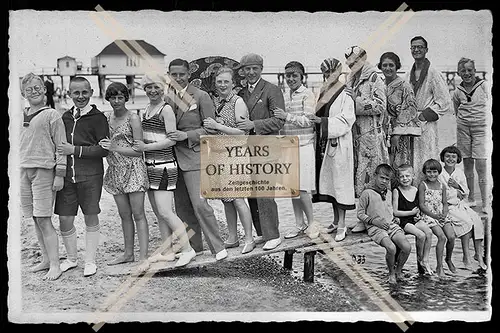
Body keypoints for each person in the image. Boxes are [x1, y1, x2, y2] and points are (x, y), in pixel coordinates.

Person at [164, 58, 228, 261]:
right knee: (182, 207)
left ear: (188, 74)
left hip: (194, 157)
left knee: (200, 205)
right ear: (169, 76)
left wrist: (187, 136)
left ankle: (218, 247)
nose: (178, 78)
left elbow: (211, 129)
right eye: (174, 74)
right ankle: (195, 248)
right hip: (173, 158)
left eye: (182, 74)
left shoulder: (201, 96)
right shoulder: (167, 98)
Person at [132, 72, 197, 267]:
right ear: (144, 89)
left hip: (164, 165)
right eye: (149, 87)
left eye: (157, 87)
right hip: (149, 166)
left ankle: (187, 249)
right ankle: (167, 251)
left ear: (164, 89)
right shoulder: (145, 109)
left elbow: (171, 139)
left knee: (166, 211)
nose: (153, 91)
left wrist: (146, 148)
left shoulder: (166, 109)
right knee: (159, 213)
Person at [54, 77, 109, 277]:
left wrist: (74, 150)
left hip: (91, 176)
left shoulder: (98, 118)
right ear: (69, 94)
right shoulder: (65, 117)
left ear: (91, 92)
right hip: (68, 177)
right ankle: (71, 259)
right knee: (65, 219)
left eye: (84, 92)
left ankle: (90, 261)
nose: (80, 97)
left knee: (90, 216)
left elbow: (103, 150)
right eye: (76, 93)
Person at [202, 66, 255, 254]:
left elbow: (244, 132)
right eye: (219, 82)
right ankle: (232, 237)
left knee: (239, 198)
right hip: (219, 155)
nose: (222, 85)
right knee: (226, 199)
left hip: (236, 155)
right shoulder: (216, 102)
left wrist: (217, 125)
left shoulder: (237, 102)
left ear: (233, 84)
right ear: (215, 84)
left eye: (226, 81)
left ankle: (249, 238)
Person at [98, 82, 150, 273]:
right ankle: (128, 253)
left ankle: (144, 257)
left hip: (133, 168)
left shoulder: (133, 118)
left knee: (138, 214)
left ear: (126, 98)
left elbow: (139, 151)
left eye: (120, 97)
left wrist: (114, 148)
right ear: (108, 99)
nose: (117, 101)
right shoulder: (106, 118)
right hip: (115, 169)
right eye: (113, 97)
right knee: (124, 215)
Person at [20, 73, 67, 280]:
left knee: (44, 218)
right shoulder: (20, 114)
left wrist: (60, 174)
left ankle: (55, 265)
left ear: (45, 89)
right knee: (35, 219)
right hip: (23, 171)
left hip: (45, 171)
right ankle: (46, 260)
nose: (34, 91)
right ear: (23, 93)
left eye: (38, 87)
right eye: (29, 89)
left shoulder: (52, 115)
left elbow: (61, 147)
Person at [236, 53, 285, 250]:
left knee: (265, 190)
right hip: (247, 147)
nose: (250, 72)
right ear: (242, 71)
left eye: (254, 68)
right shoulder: (241, 93)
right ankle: (262, 232)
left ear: (261, 69)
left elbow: (279, 120)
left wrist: (253, 124)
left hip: (266, 145)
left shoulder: (272, 90)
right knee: (252, 192)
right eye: (247, 69)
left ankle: (273, 234)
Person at [309, 58, 356, 242]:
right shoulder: (323, 91)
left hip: (340, 143)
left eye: (332, 73)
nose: (329, 76)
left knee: (340, 183)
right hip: (325, 143)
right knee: (330, 183)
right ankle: (336, 220)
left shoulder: (346, 93)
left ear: (339, 72)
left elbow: (347, 119)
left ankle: (343, 224)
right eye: (326, 73)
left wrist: (323, 123)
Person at [272, 61, 319, 240]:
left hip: (304, 145)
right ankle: (299, 225)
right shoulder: (283, 95)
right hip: (288, 146)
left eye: (294, 75)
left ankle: (312, 224)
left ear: (302, 77)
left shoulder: (308, 94)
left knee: (304, 188)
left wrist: (286, 116)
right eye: (288, 76)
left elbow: (308, 121)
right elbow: (282, 123)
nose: (290, 79)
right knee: (293, 189)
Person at [345, 46, 389, 233]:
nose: (352, 65)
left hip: (371, 135)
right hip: (356, 135)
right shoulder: (352, 79)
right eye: (350, 63)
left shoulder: (374, 78)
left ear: (363, 59)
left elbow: (381, 106)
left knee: (370, 178)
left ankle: (372, 219)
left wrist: (357, 101)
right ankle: (363, 217)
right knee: (360, 179)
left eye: (355, 62)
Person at [406, 36, 452, 185]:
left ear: (426, 50)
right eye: (413, 47)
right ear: (410, 49)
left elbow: (445, 101)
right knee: (411, 159)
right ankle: (413, 192)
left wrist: (424, 115)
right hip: (411, 124)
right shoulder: (408, 74)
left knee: (426, 157)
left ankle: (429, 191)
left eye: (420, 47)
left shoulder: (433, 73)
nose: (416, 49)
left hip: (426, 125)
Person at [357, 164, 411, 284]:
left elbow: (388, 209)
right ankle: (391, 273)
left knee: (407, 247)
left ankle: (398, 270)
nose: (384, 181)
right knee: (391, 248)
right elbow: (360, 214)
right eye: (382, 178)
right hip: (375, 227)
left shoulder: (389, 193)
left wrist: (395, 218)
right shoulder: (367, 193)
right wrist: (374, 221)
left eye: (387, 179)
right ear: (375, 176)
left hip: (390, 225)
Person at [438, 146, 487, 271]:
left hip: (460, 204)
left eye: (453, 157)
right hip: (448, 206)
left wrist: (457, 186)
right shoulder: (440, 173)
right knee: (467, 222)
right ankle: (466, 256)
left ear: (458, 159)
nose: (450, 159)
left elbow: (466, 192)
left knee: (477, 221)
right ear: (443, 158)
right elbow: (443, 194)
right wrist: (456, 193)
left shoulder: (459, 173)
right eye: (447, 156)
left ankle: (478, 255)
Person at [452, 58, 490, 213]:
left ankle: (486, 201)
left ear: (475, 71)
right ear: (459, 73)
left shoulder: (484, 86)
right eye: (463, 71)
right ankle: (471, 198)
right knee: (467, 164)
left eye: (470, 70)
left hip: (481, 129)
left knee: (481, 164)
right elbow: (456, 109)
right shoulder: (457, 91)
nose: (467, 73)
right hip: (463, 130)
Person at [378, 52, 421, 171]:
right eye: (384, 65)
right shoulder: (379, 84)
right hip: (381, 132)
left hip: (399, 134)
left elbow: (409, 110)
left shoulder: (404, 86)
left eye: (391, 65)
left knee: (398, 165)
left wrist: (396, 135)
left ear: (397, 66)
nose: (388, 68)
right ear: (380, 67)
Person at [392, 164, 434, 275]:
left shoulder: (415, 189)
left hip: (414, 219)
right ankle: (420, 260)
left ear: (413, 176)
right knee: (421, 235)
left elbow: (417, 207)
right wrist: (412, 213)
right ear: (398, 178)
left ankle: (425, 259)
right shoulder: (397, 191)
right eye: (402, 176)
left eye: (407, 176)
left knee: (429, 233)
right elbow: (395, 212)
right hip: (403, 220)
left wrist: (418, 215)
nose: (405, 179)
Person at [418, 159, 455, 278]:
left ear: (439, 172)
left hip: (441, 215)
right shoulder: (423, 185)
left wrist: (444, 214)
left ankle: (448, 259)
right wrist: (434, 216)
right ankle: (440, 266)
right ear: (425, 172)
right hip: (429, 216)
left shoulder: (442, 185)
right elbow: (422, 205)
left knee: (451, 236)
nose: (432, 174)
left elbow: (445, 203)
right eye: (429, 172)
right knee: (441, 237)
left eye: (434, 172)